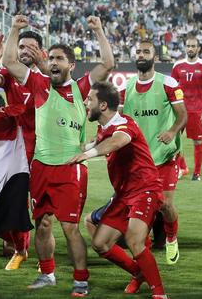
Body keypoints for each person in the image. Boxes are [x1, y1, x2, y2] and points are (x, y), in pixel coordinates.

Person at [2, 15, 115, 296]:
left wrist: (99, 30)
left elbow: (109, 64)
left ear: (71, 65)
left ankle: (80, 280)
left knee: (69, 227)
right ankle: (47, 274)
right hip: (40, 166)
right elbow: (9, 63)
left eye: (59, 59)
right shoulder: (38, 84)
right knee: (41, 224)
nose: (53, 62)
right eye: (50, 58)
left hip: (70, 168)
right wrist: (14, 30)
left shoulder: (81, 88)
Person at [68, 82, 169, 299]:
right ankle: (139, 273)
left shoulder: (124, 125)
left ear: (103, 105)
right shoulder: (103, 128)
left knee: (134, 239)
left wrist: (89, 154)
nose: (86, 103)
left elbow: (117, 142)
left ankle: (159, 294)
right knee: (100, 243)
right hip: (123, 195)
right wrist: (71, 146)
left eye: (90, 100)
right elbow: (96, 141)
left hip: (145, 189)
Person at [0, 31, 44, 270]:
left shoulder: (47, 77)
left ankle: (45, 258)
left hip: (45, 150)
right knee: (14, 200)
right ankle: (20, 250)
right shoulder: (9, 75)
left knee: (41, 206)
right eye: (21, 47)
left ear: (40, 51)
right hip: (16, 149)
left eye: (30, 47)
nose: (25, 51)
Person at [120, 40, 187, 265]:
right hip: (139, 160)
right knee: (140, 207)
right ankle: (144, 251)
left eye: (146, 51)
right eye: (138, 51)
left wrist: (172, 130)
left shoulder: (168, 83)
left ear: (155, 57)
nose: (141, 54)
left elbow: (182, 115)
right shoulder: (128, 86)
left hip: (165, 156)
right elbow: (121, 121)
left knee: (166, 204)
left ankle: (171, 237)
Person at [171, 35, 202, 181]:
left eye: (193, 46)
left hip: (196, 111)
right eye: (188, 46)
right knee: (174, 140)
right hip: (180, 110)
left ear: (199, 48)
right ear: (185, 47)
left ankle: (197, 173)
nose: (190, 48)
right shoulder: (177, 66)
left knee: (197, 141)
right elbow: (172, 89)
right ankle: (182, 168)